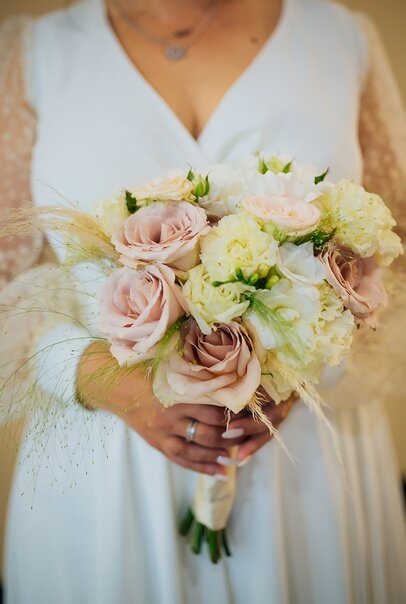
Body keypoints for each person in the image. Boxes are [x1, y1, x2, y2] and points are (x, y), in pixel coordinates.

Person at [0, 0, 405, 602]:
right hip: (109, 469)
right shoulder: (37, 54)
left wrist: (306, 359)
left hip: (306, 462)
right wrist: (101, 376)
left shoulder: (338, 38)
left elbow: (393, 249)